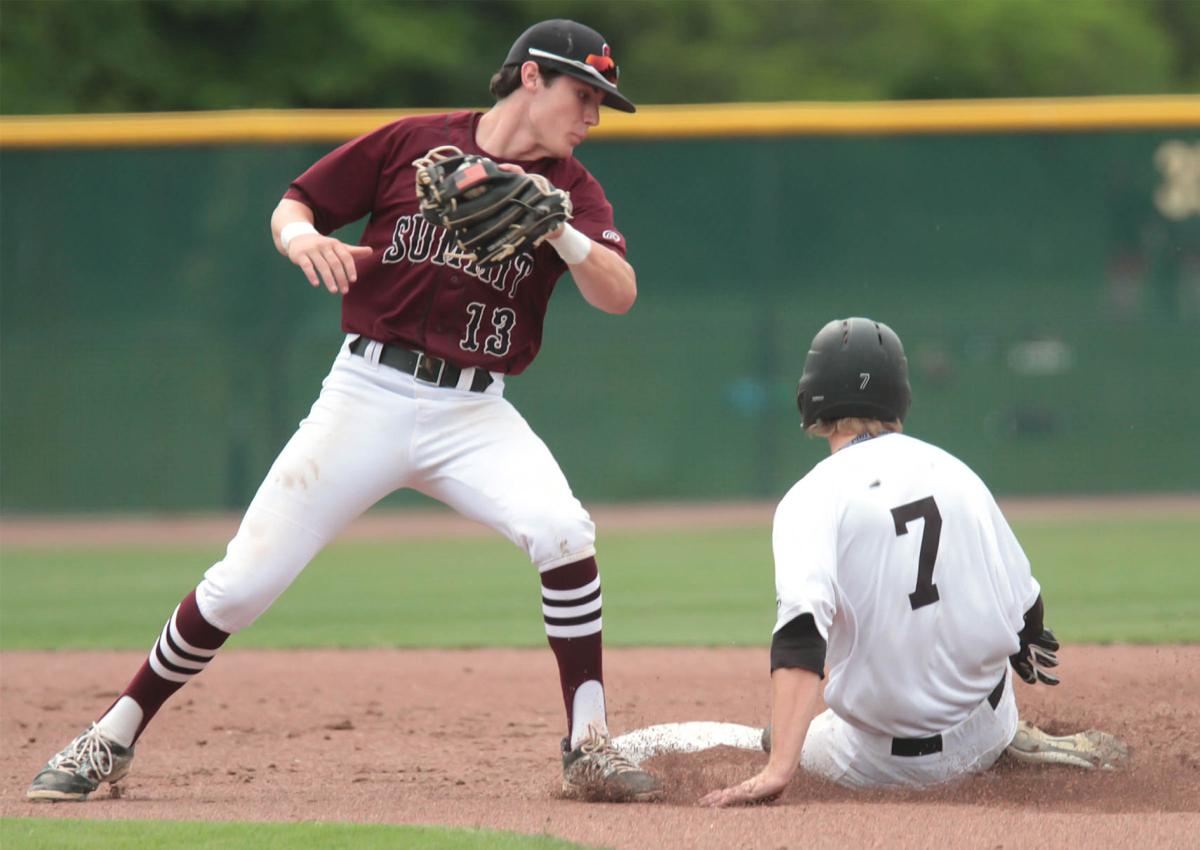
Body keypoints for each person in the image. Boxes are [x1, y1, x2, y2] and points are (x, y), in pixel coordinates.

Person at [28, 19, 662, 805]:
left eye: (602, 102)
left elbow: (619, 293)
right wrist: (301, 241)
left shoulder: (573, 189)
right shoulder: (413, 143)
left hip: (474, 412)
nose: (593, 117)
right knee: (238, 588)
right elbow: (298, 203)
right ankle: (111, 737)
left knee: (563, 530)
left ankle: (590, 745)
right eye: (584, 94)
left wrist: (557, 227)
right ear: (530, 77)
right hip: (367, 393)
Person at [701, 317, 1126, 805]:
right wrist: (1023, 642)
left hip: (875, 762)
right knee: (989, 689)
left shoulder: (811, 497)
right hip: (985, 730)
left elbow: (801, 633)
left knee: (780, 736)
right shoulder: (953, 469)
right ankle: (1009, 740)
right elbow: (1029, 611)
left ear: (812, 396)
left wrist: (778, 771)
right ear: (898, 396)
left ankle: (789, 749)